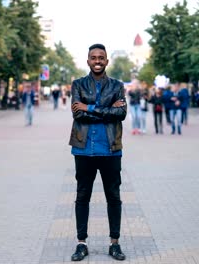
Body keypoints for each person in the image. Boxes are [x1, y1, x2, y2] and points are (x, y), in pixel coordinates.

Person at [69, 43, 127, 261]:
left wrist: (90, 107)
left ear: (106, 61)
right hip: (83, 149)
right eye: (93, 57)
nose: (97, 61)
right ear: (88, 61)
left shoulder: (117, 85)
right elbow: (78, 115)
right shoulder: (78, 84)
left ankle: (115, 243)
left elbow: (120, 113)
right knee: (82, 196)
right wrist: (107, 109)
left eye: (101, 57)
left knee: (114, 197)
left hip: (111, 150)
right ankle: (81, 243)